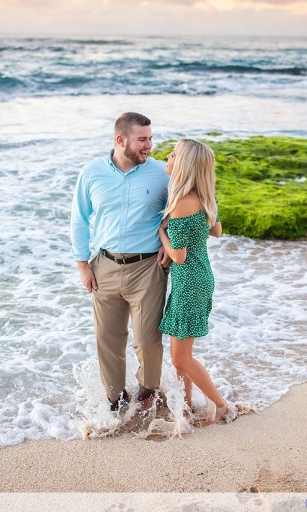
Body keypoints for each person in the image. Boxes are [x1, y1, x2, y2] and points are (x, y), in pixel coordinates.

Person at [71, 112, 171, 412]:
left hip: (148, 267)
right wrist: (82, 265)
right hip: (104, 266)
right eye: (142, 139)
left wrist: (171, 241)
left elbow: (193, 205)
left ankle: (148, 393)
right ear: (120, 140)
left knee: (147, 340)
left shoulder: (162, 173)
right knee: (107, 340)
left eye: (151, 138)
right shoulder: (91, 173)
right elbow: (79, 219)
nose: (149, 145)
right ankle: (114, 400)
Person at [158, 138, 229, 427]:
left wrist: (160, 232)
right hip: (200, 278)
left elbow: (179, 256)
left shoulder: (181, 204)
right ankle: (186, 404)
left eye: (173, 154)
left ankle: (220, 404)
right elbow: (217, 231)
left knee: (180, 359)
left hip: (189, 281)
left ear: (183, 165)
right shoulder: (204, 196)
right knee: (182, 354)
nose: (167, 156)